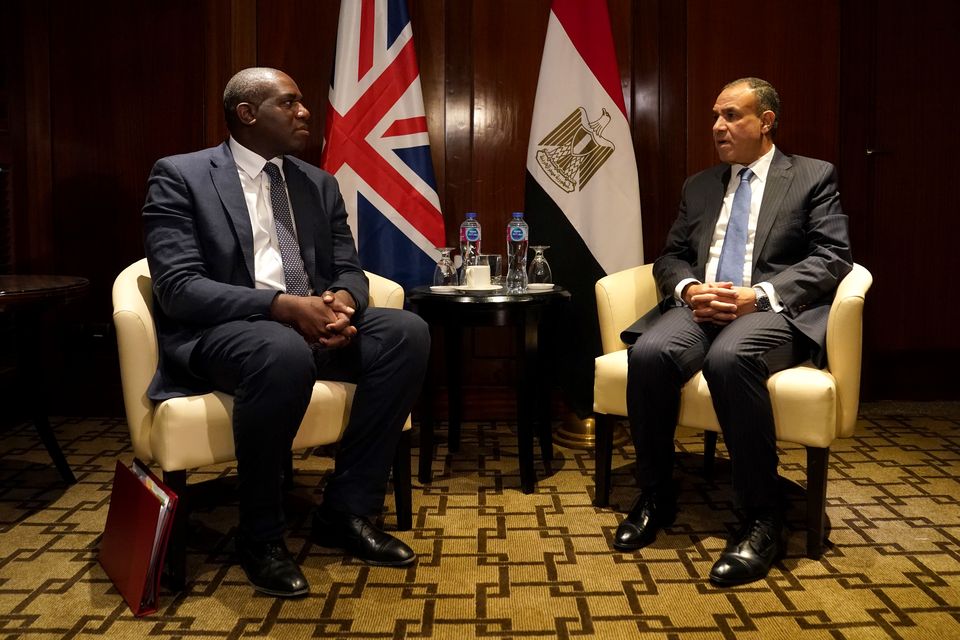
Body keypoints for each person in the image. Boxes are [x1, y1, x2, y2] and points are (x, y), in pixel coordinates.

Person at [142, 67, 430, 598]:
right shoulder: (181, 175)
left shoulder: (316, 182)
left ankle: (346, 511)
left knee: (406, 332)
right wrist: (282, 307)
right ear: (247, 114)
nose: (305, 113)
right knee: (279, 349)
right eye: (290, 103)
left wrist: (341, 304)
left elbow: (347, 267)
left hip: (308, 325)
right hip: (228, 332)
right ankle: (261, 537)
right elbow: (179, 288)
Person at [614, 77, 852, 586]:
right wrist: (689, 289)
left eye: (732, 116)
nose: (718, 127)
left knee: (730, 359)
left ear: (766, 121)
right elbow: (671, 255)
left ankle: (762, 518)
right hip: (703, 305)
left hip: (771, 310)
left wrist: (759, 296)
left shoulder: (812, 177)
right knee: (650, 352)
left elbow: (832, 256)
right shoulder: (700, 184)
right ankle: (656, 494)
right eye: (715, 117)